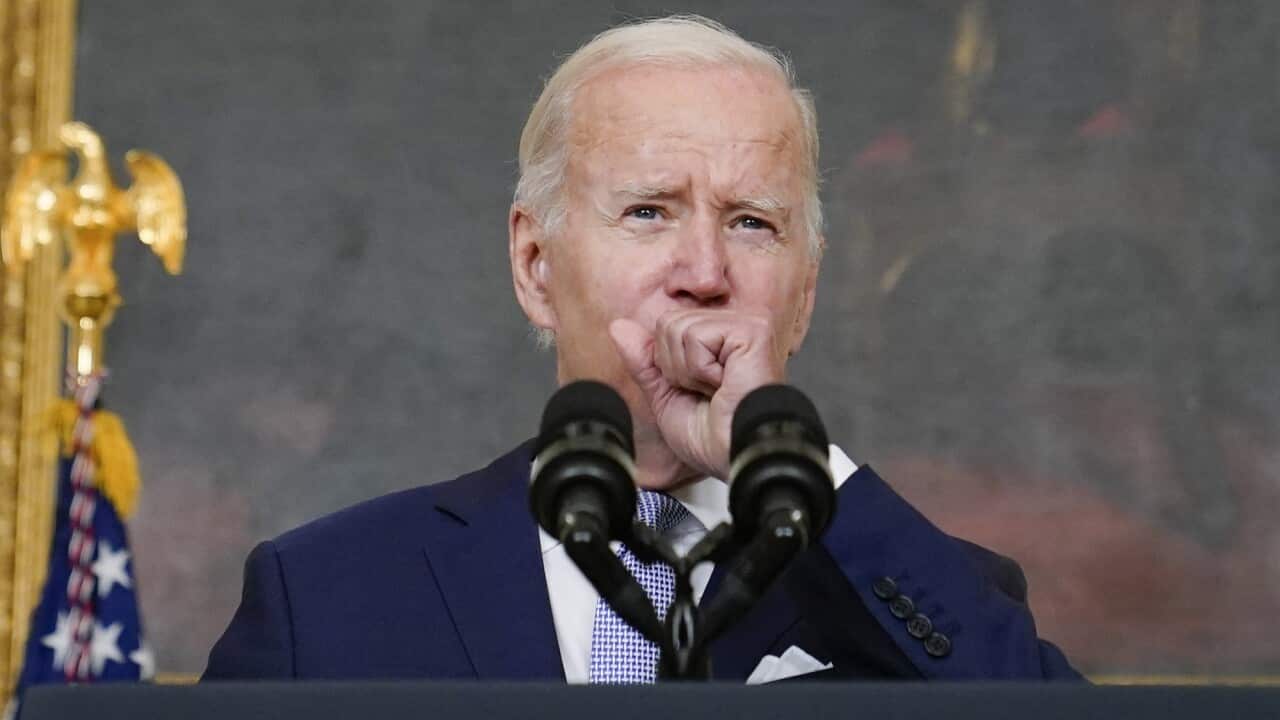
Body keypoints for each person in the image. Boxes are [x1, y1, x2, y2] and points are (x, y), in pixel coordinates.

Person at [204, 15, 1080, 683]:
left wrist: (793, 464)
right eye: (648, 212)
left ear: (804, 295)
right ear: (535, 263)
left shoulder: (925, 588)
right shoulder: (323, 596)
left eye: (751, 223)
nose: (703, 272)